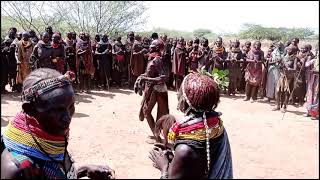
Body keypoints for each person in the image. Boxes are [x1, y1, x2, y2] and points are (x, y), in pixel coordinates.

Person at [1, 68, 115, 179]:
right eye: (57, 110)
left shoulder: (51, 137)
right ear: (29, 109)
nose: (67, 118)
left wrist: (83, 170)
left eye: (71, 107)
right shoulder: (19, 171)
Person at [149, 72, 233, 179]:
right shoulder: (216, 126)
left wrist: (164, 167)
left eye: (180, 92)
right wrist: (174, 157)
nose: (177, 95)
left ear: (185, 100)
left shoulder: (185, 150)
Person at [134, 39, 169, 143]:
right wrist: (139, 79)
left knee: (147, 111)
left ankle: (157, 137)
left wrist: (147, 79)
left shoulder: (157, 60)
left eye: (152, 45)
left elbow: (163, 77)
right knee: (146, 111)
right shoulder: (152, 59)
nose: (150, 46)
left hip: (156, 90)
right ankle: (156, 134)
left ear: (157, 48)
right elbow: (148, 74)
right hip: (151, 89)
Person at [274, 45, 297, 112]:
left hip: (289, 77)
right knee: (278, 91)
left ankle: (284, 107)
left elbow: (295, 69)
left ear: (293, 51)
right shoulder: (283, 57)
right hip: (282, 76)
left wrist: (290, 69)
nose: (288, 50)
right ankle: (278, 106)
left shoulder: (294, 58)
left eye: (290, 50)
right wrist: (279, 65)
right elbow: (279, 66)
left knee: (286, 92)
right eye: (288, 49)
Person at [304, 50, 318, 118]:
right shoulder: (314, 60)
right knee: (310, 94)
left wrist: (316, 71)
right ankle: (309, 111)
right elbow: (306, 64)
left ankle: (314, 113)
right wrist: (308, 58)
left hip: (317, 79)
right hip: (312, 79)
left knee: (316, 95)